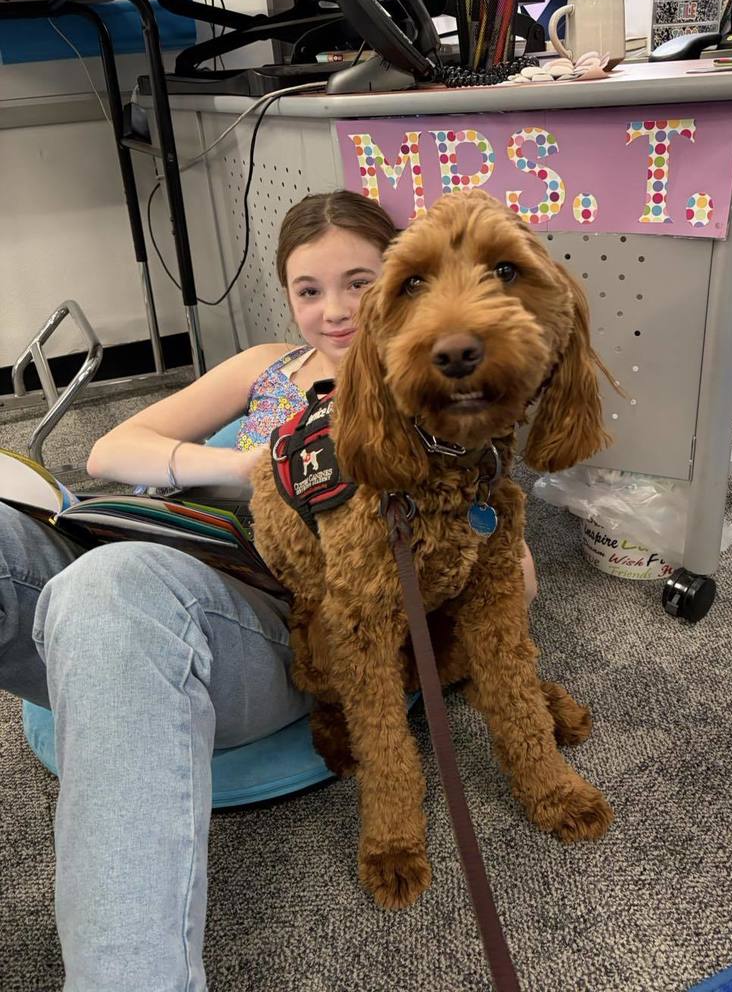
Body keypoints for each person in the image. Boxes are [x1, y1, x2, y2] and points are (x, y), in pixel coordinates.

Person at [0, 189, 537, 992]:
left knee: (114, 587)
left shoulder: (422, 400)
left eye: (362, 283)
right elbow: (112, 449)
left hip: (265, 623)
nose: (334, 312)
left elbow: (494, 576)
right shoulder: (266, 369)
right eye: (308, 290)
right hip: (154, 542)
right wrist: (256, 468)